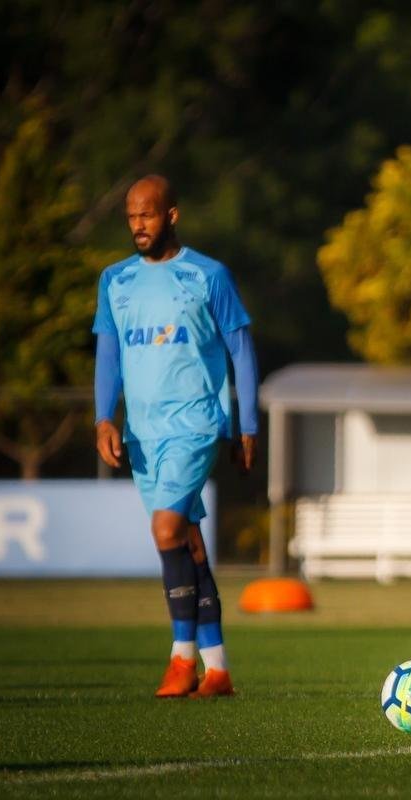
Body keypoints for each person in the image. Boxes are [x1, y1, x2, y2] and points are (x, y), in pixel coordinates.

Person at [93, 175, 259, 698]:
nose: (138, 224)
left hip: (196, 424)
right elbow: (109, 354)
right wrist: (104, 418)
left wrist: (247, 425)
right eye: (131, 216)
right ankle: (218, 669)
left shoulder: (208, 275)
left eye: (147, 214)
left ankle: (181, 658)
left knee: (166, 530)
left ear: (171, 215)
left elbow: (241, 351)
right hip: (143, 433)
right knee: (187, 542)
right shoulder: (115, 280)